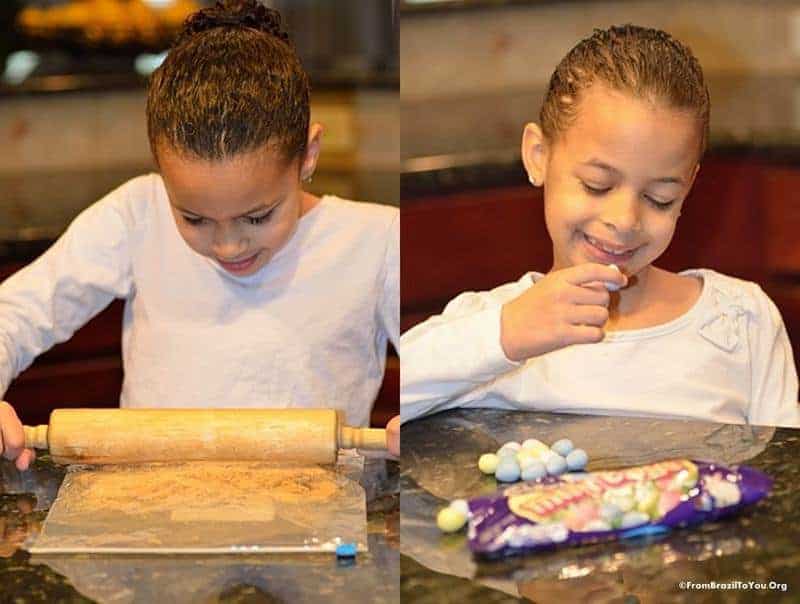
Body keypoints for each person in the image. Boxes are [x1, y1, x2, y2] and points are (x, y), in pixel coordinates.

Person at [0, 0, 400, 470]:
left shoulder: (376, 242)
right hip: (151, 513)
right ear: (161, 171)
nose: (228, 246)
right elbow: (18, 312)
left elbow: (442, 355)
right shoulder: (136, 216)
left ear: (307, 155)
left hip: (314, 526)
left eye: (257, 217)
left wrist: (422, 413)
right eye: (193, 219)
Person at [401, 24, 800, 429]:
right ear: (539, 156)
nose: (625, 221)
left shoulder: (743, 322)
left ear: (688, 187)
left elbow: (786, 473)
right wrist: (506, 335)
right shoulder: (492, 322)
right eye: (597, 185)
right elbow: (397, 391)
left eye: (659, 198)